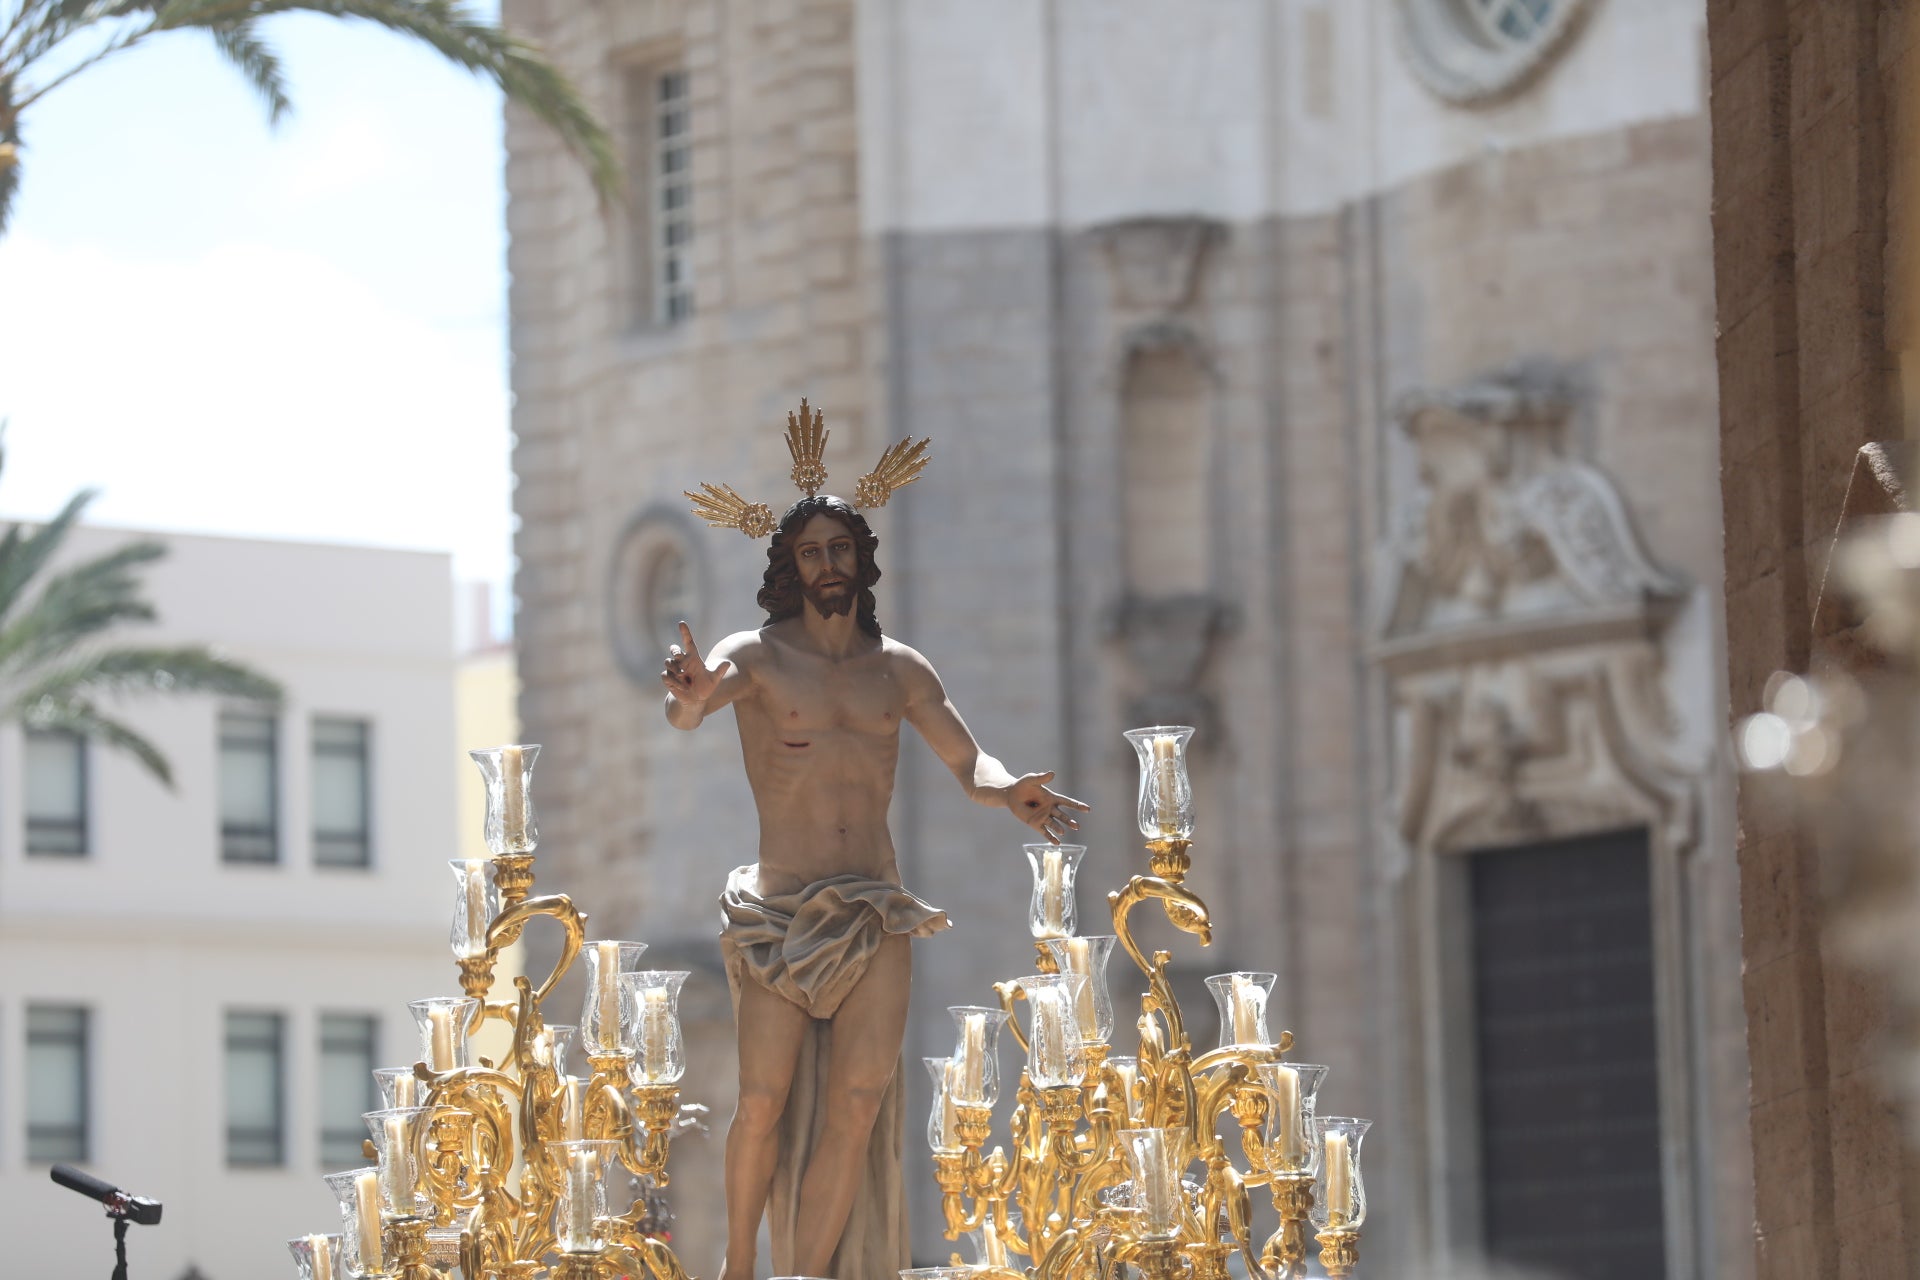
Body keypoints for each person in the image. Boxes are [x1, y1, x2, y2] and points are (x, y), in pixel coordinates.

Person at [663, 491, 1086, 1280]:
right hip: (780, 909)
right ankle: (738, 1266)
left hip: (873, 906)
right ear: (791, 567)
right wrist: (687, 700)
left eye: (841, 548)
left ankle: (806, 1273)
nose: (829, 564)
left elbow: (969, 762)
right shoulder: (754, 656)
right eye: (812, 552)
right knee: (762, 1100)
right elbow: (693, 707)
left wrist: (1008, 791)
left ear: (862, 558)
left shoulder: (898, 670)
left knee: (859, 1105)